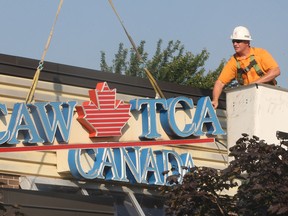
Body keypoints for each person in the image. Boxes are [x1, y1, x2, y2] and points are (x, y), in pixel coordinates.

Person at [212, 26, 280, 109]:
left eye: (238, 41)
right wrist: (215, 100)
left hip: (270, 98)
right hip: (249, 100)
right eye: (233, 41)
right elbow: (220, 82)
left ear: (247, 42)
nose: (235, 44)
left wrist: (255, 83)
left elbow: (276, 71)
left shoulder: (260, 53)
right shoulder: (233, 62)